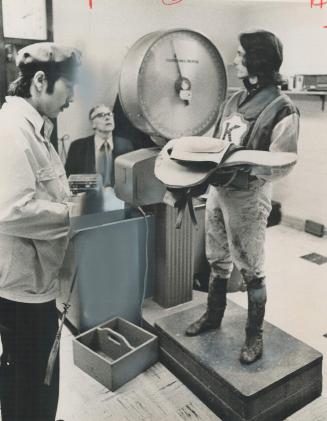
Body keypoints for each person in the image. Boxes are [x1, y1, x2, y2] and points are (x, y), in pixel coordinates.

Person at [185, 30, 299, 364]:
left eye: (239, 54)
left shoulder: (283, 107)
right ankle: (213, 316)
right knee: (216, 257)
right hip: (220, 192)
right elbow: (218, 140)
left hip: (249, 197)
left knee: (251, 267)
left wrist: (244, 169)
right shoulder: (235, 99)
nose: (234, 59)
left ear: (256, 60)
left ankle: (254, 336)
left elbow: (283, 162)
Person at [0, 42, 81, 421]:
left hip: (38, 282)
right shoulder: (12, 130)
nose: (72, 97)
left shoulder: (34, 128)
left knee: (40, 371)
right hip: (21, 287)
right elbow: (10, 210)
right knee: (27, 375)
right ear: (39, 80)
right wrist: (72, 213)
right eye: (68, 86)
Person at [65, 104, 134, 186]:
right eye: (101, 115)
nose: (107, 118)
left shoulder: (126, 145)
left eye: (110, 114)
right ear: (92, 123)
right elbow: (69, 180)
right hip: (88, 196)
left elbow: (130, 180)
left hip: (116, 196)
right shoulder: (77, 147)